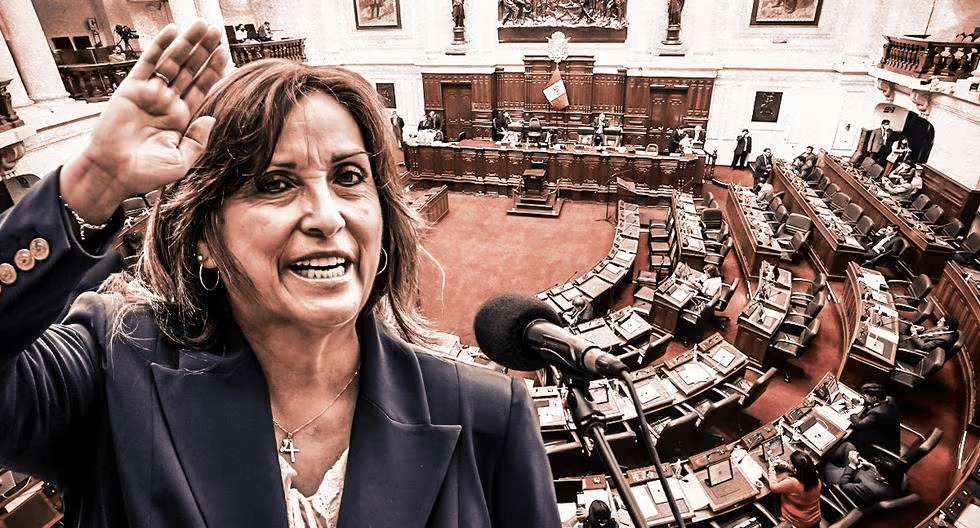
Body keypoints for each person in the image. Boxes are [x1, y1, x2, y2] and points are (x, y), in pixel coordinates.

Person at [0, 21, 559, 527]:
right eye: (274, 184)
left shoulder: (488, 416)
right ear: (202, 238)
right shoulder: (112, 367)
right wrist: (94, 181)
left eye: (348, 177)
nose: (326, 217)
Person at [823, 441, 908, 507]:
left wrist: (851, 465)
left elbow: (844, 485)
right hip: (859, 470)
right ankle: (830, 457)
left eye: (878, 470)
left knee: (825, 465)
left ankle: (826, 461)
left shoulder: (870, 490)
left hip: (847, 480)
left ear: (882, 477)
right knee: (847, 446)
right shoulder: (898, 476)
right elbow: (878, 473)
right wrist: (870, 466)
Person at [766, 451, 822, 528]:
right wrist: (787, 466)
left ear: (795, 467)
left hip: (798, 522)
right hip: (814, 519)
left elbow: (773, 487)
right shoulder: (816, 480)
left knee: (768, 499)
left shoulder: (792, 483)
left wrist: (771, 469)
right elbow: (804, 472)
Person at [848, 383, 901, 456]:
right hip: (888, 436)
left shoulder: (877, 413)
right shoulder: (890, 399)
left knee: (849, 434)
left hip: (880, 444)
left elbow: (859, 424)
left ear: (874, 398)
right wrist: (861, 402)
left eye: (867, 395)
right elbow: (876, 403)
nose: (865, 396)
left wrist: (850, 408)